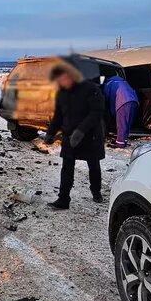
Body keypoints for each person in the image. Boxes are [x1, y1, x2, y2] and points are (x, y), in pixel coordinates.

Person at [42, 61, 105, 209]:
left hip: (90, 136)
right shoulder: (62, 93)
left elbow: (97, 112)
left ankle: (96, 192)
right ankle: (63, 199)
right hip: (70, 136)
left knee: (94, 165)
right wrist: (51, 132)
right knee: (67, 167)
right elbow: (58, 115)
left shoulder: (91, 89)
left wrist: (81, 130)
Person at [102, 75, 139, 148]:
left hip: (123, 101)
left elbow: (107, 96)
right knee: (127, 123)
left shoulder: (109, 83)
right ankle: (124, 140)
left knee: (121, 124)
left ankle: (120, 144)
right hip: (134, 101)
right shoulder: (123, 82)